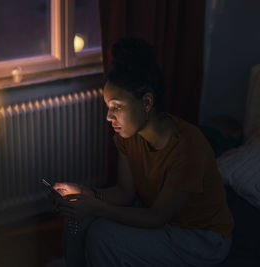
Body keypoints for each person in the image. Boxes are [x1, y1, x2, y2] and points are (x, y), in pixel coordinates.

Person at [52, 38, 234, 267]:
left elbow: (158, 217)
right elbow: (125, 192)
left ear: (147, 102)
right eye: (108, 107)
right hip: (155, 211)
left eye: (116, 107)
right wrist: (84, 193)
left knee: (102, 236)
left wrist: (95, 205)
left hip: (200, 236)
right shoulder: (128, 136)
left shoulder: (188, 148)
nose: (109, 117)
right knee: (78, 219)